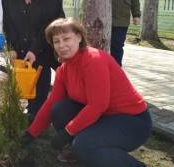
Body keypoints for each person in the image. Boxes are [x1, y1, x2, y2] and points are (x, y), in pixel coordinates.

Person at [22, 18, 152, 167]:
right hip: (104, 117)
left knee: (85, 145)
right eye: (56, 41)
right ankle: (81, 151)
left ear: (79, 37)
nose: (61, 45)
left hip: (131, 122)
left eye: (66, 38)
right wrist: (31, 133)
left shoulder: (93, 60)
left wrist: (68, 132)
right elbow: (51, 103)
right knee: (59, 109)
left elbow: (97, 105)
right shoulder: (64, 69)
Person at [2, 0, 65, 121]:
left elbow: (51, 26)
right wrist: (11, 47)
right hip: (21, 43)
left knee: (41, 73)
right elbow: (8, 24)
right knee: (27, 79)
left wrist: (35, 49)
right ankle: (31, 110)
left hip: (47, 43)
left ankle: (39, 116)